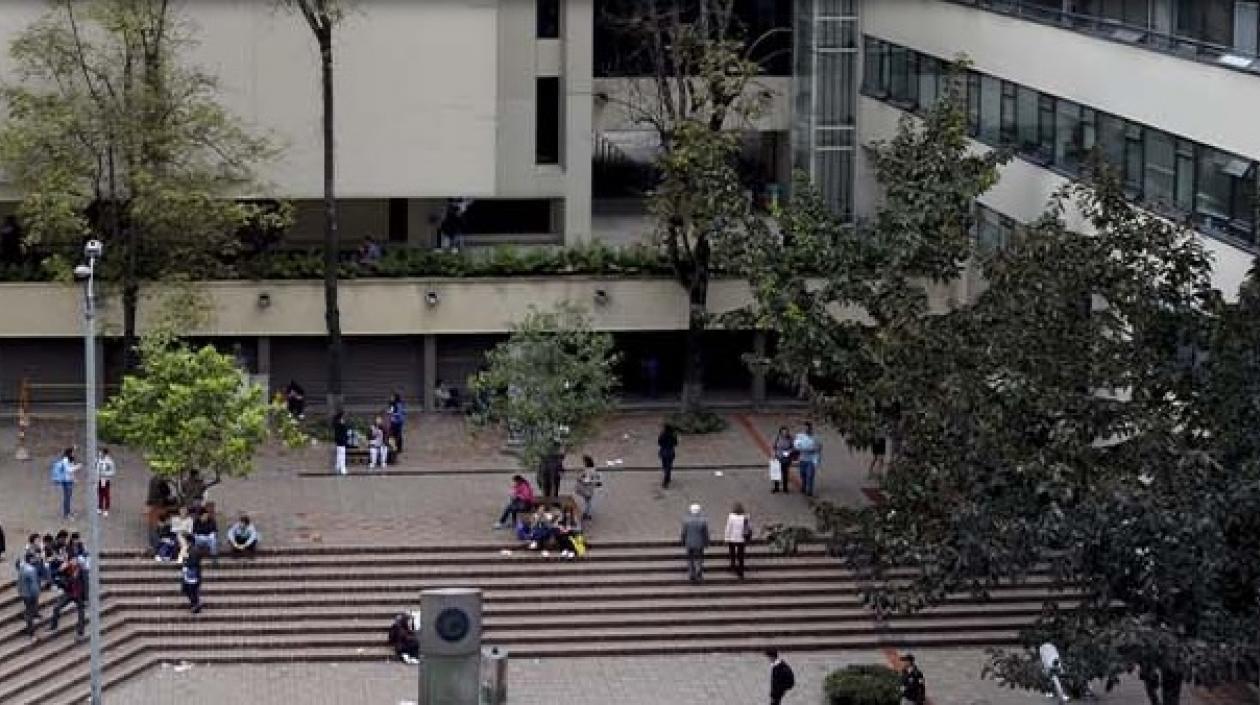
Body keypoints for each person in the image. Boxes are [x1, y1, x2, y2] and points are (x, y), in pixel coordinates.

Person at [48, 555, 87, 639]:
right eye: (71, 560)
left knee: (81, 613)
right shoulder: (66, 568)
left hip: (78, 594)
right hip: (69, 593)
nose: (73, 562)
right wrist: (60, 569)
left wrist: (85, 598)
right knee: (56, 607)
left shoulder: (81, 570)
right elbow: (53, 575)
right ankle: (53, 626)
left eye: (74, 560)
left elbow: (85, 584)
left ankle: (80, 633)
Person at [680, 503, 710, 584]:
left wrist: (682, 540)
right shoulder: (703, 521)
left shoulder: (686, 521)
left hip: (689, 543)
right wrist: (706, 542)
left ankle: (691, 573)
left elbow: (684, 532)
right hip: (700, 543)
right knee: (699, 558)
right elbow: (705, 533)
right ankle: (698, 572)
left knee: (690, 558)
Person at [50, 447, 80, 520]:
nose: (74, 454)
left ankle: (68, 512)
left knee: (68, 497)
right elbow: (69, 470)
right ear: (69, 453)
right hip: (66, 481)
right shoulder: (65, 460)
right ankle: (66, 514)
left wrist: (74, 479)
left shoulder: (70, 460)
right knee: (67, 497)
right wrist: (78, 467)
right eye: (73, 452)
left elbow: (71, 472)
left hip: (69, 480)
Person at [793, 422, 822, 497]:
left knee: (810, 475)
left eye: (808, 428)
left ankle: (810, 490)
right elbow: (796, 445)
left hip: (811, 460)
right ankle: (803, 486)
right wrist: (807, 448)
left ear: (810, 429)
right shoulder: (800, 436)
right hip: (802, 459)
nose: (806, 430)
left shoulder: (815, 438)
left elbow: (818, 448)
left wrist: (816, 460)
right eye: (805, 428)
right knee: (803, 475)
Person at [724, 502, 752, 579]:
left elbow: (728, 527)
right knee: (741, 555)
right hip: (742, 538)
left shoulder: (731, 517)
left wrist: (726, 537)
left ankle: (733, 565)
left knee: (732, 552)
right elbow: (749, 527)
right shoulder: (746, 517)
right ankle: (741, 572)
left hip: (732, 538)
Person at [16, 551, 41, 636]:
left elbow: (17, 566)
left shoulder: (22, 566)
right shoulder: (31, 570)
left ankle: (29, 625)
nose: (35, 559)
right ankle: (31, 631)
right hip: (30, 594)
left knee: (28, 610)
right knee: (30, 612)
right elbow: (33, 585)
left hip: (23, 592)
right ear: (30, 559)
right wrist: (36, 594)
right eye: (33, 558)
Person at [573, 455, 602, 521]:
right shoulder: (593, 469)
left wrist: (580, 479)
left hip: (586, 488)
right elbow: (596, 478)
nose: (584, 463)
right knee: (588, 501)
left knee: (587, 501)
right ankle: (587, 513)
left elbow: (587, 480)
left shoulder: (588, 470)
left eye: (584, 462)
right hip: (589, 488)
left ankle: (586, 514)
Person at [771, 426, 795, 494]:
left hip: (786, 459)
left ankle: (785, 488)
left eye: (786, 432)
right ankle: (776, 488)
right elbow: (774, 447)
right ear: (781, 432)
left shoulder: (790, 439)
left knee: (785, 474)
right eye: (784, 432)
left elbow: (794, 447)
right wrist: (773, 454)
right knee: (776, 474)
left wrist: (789, 451)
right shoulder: (777, 438)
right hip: (778, 458)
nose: (785, 433)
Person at [181, 548, 204, 614]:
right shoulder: (187, 549)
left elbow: (194, 563)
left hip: (192, 575)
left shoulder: (193, 550)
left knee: (192, 590)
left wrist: (186, 558)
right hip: (188, 574)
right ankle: (195, 604)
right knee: (187, 589)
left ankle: (196, 604)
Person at [96, 447, 116, 517]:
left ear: (105, 453)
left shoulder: (109, 461)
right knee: (100, 493)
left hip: (106, 479)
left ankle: (106, 509)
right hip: (99, 479)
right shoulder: (99, 460)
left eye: (101, 452)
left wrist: (105, 474)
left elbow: (113, 472)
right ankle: (100, 507)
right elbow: (96, 468)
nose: (100, 453)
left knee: (106, 494)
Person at [658, 423, 678, 489]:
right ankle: (667, 478)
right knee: (669, 466)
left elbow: (659, 442)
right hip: (670, 452)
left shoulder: (662, 435)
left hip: (663, 451)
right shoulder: (673, 435)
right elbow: (675, 443)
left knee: (665, 466)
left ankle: (666, 479)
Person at [332, 411, 349, 475]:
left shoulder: (337, 424)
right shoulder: (340, 425)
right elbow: (343, 433)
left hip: (340, 441)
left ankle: (338, 467)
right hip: (341, 441)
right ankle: (342, 468)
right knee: (342, 455)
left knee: (339, 455)